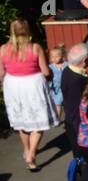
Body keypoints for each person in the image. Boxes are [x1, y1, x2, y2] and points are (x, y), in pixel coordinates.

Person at [0, 20, 57, 171]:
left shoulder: (3, 49)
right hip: (32, 85)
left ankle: (26, 150)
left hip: (12, 85)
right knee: (38, 121)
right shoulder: (35, 47)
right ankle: (31, 154)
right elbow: (45, 72)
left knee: (21, 120)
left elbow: (1, 73)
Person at [60, 44, 88, 157]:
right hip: (78, 127)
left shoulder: (68, 70)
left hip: (76, 123)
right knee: (84, 160)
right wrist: (81, 135)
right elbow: (75, 108)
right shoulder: (75, 80)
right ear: (85, 60)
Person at [47, 44, 67, 123]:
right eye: (52, 57)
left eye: (56, 56)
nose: (54, 58)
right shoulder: (50, 67)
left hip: (66, 87)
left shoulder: (66, 65)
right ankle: (57, 119)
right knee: (57, 104)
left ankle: (67, 117)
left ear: (62, 56)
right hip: (56, 88)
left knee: (66, 104)